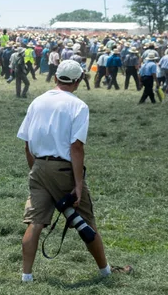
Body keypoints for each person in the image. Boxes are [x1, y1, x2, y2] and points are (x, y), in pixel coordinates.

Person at [17, 60, 132, 283]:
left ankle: (26, 276)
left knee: (36, 221)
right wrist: (78, 185)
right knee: (87, 222)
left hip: (39, 165)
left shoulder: (37, 102)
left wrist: (37, 170)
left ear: (55, 77)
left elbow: (26, 143)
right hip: (63, 169)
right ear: (78, 81)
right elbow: (76, 148)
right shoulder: (78, 106)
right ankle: (106, 272)